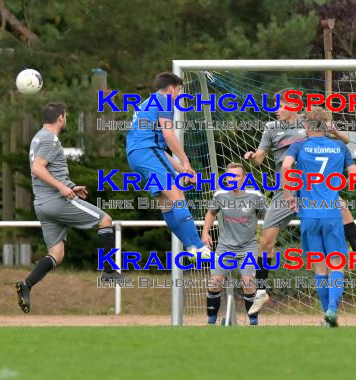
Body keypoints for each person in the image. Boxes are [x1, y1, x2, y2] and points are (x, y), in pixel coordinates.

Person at [244, 89, 356, 315]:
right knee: (267, 240)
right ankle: (262, 289)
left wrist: (337, 133)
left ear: (292, 105)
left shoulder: (311, 120)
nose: (275, 110)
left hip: (313, 186)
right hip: (286, 188)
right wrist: (253, 156)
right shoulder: (271, 128)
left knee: (342, 208)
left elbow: (347, 141)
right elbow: (260, 159)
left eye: (278, 105)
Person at [15, 102, 122, 314]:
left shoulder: (38, 137)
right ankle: (109, 271)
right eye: (66, 115)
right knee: (105, 220)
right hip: (56, 201)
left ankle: (26, 285)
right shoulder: (49, 138)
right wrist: (64, 188)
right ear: (61, 117)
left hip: (42, 204)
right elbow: (37, 169)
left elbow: (47, 170)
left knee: (56, 254)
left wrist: (71, 186)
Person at [281, 107, 356, 327]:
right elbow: (355, 177)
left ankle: (327, 315)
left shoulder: (298, 146)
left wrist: (289, 196)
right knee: (336, 264)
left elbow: (286, 168)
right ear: (327, 126)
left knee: (319, 266)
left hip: (308, 213)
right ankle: (332, 310)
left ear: (306, 125)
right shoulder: (339, 146)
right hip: (332, 212)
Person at [126, 72, 210, 257]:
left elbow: (160, 151)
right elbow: (168, 134)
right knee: (178, 197)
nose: (179, 95)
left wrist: (183, 171)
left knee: (167, 204)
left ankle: (192, 247)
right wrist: (186, 160)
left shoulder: (145, 103)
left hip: (138, 156)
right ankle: (199, 246)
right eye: (179, 90)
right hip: (148, 153)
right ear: (172, 88)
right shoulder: (163, 100)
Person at [202, 163, 267, 326]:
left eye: (237, 176)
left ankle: (253, 323)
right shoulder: (220, 195)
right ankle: (210, 323)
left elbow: (269, 217)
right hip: (225, 247)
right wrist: (205, 232)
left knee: (248, 284)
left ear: (244, 178)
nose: (233, 179)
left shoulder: (255, 196)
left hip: (248, 248)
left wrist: (267, 238)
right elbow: (211, 212)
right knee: (215, 283)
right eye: (230, 176)